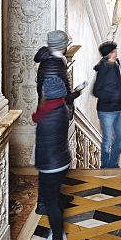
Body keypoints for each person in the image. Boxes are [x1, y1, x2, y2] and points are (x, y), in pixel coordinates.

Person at [34, 31, 83, 213]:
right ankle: (44, 203)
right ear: (62, 46)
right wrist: (76, 93)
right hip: (53, 116)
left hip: (51, 115)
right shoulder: (54, 65)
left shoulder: (51, 62)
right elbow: (57, 96)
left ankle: (54, 197)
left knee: (52, 159)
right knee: (50, 161)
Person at [33, 74, 72, 240]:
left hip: (50, 165)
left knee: (51, 204)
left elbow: (43, 143)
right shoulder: (61, 108)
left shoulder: (47, 115)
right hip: (61, 161)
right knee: (55, 198)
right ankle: (58, 232)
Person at [92, 40, 121, 169]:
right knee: (108, 140)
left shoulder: (117, 65)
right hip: (106, 111)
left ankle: (114, 164)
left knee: (119, 138)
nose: (117, 51)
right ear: (110, 53)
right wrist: (113, 97)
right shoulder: (103, 69)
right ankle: (105, 166)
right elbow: (96, 91)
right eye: (115, 49)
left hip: (119, 109)